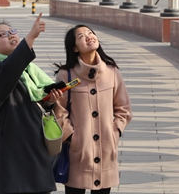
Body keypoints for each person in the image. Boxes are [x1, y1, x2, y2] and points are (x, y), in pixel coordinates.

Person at [0, 13, 64, 194]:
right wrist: (31, 37)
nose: (11, 35)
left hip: (34, 148)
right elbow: (7, 74)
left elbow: (35, 104)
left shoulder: (29, 71)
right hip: (9, 152)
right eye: (3, 34)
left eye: (12, 31)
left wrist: (49, 101)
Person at [54, 24, 133, 194]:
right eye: (81, 36)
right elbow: (59, 111)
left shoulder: (112, 72)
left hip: (106, 150)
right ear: (74, 48)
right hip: (79, 153)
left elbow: (124, 108)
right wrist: (71, 136)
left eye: (90, 33)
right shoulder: (65, 75)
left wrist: (115, 131)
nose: (89, 36)